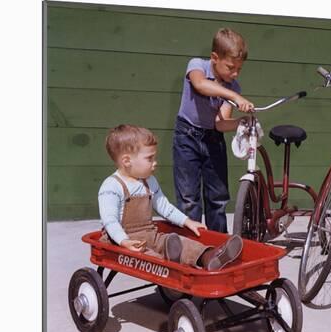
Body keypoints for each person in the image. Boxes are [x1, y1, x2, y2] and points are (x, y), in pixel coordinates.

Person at [98, 124, 243, 271]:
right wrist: (124, 241)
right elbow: (110, 221)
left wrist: (187, 221)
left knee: (178, 241)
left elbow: (164, 206)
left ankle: (209, 256)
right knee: (149, 258)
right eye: (149, 158)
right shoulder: (112, 186)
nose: (155, 163)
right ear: (127, 161)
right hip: (122, 239)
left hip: (149, 234)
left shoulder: (148, 181)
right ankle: (172, 266)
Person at [173, 27, 254, 233]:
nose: (235, 73)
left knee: (217, 198)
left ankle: (218, 245)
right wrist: (234, 97)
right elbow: (200, 85)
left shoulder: (233, 86)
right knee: (189, 199)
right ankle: (191, 246)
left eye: (240, 69)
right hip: (186, 137)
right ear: (214, 57)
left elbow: (220, 123)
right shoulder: (197, 66)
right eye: (230, 67)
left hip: (213, 139)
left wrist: (241, 121)